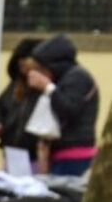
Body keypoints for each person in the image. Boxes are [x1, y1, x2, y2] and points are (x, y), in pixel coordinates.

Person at [28, 34, 99, 176]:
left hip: (75, 156)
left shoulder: (78, 77)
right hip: (60, 154)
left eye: (42, 68)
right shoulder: (64, 79)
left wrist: (47, 87)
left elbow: (69, 109)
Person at [0, 37, 43, 165]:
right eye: (20, 59)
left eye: (27, 58)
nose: (23, 62)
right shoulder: (13, 87)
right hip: (12, 153)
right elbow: (0, 110)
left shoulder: (43, 88)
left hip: (36, 155)